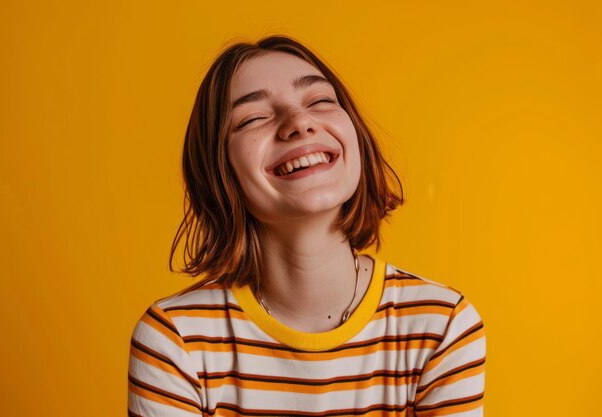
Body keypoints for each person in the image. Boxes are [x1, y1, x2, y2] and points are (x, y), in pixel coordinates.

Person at [127, 35, 486, 416]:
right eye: (254, 117)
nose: (299, 122)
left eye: (320, 101)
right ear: (218, 172)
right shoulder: (174, 341)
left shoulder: (442, 325)